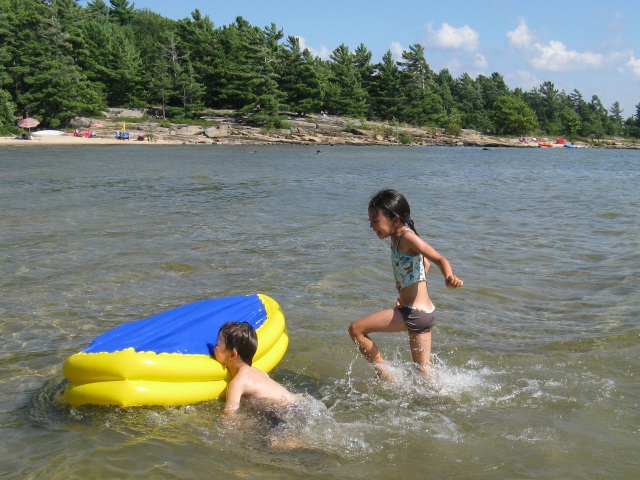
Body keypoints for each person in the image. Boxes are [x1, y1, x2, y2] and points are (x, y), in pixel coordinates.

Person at [348, 189, 463, 381]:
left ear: (394, 219)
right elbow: (424, 264)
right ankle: (446, 400)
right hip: (422, 313)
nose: (371, 225)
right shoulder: (397, 237)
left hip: (414, 314)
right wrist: (406, 293)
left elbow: (439, 259)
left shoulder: (407, 237)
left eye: (375, 220)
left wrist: (449, 276)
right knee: (423, 372)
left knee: (356, 329)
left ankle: (386, 378)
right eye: (369, 220)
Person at [214, 321, 296, 414]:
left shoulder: (237, 383)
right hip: (296, 403)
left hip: (283, 412)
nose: (213, 348)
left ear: (233, 354)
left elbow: (230, 417)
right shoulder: (259, 372)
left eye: (217, 344)